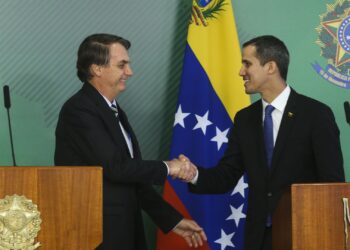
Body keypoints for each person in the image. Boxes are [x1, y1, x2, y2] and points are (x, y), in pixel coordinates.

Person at [179, 35, 345, 250]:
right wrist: (194, 174)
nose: (241, 71)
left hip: (306, 235)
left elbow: (332, 186)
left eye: (247, 63)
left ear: (270, 67)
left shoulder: (316, 114)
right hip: (259, 238)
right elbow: (227, 175)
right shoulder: (245, 119)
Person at [54, 33, 205, 250]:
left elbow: (132, 180)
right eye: (122, 65)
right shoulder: (79, 110)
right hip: (95, 235)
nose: (130, 72)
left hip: (122, 232)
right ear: (97, 68)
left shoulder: (113, 111)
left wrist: (172, 221)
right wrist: (170, 167)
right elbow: (116, 167)